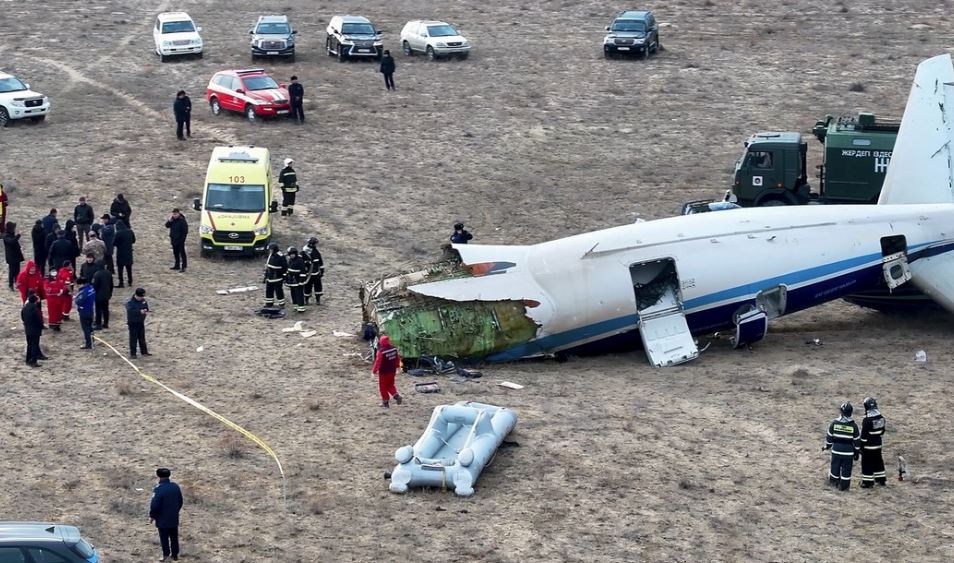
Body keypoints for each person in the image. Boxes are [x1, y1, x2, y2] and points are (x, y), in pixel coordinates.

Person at [824, 401, 861, 491]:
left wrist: (827, 446)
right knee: (846, 470)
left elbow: (829, 437)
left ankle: (834, 483)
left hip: (836, 450)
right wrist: (856, 452)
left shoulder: (834, 423)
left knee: (835, 467)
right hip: (848, 453)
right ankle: (844, 487)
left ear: (841, 412)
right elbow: (857, 441)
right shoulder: (854, 426)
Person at [149, 467, 183, 562]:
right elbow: (180, 501)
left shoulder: (159, 489)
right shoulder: (175, 486)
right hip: (173, 516)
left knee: (164, 538)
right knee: (174, 537)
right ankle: (175, 555)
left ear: (158, 476)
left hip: (162, 518)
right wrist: (175, 511)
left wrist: (152, 516)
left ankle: (166, 555)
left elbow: (155, 505)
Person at [860, 397, 887, 487]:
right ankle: (881, 479)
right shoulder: (882, 418)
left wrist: (861, 447)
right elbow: (882, 431)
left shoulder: (867, 420)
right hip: (878, 445)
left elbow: (864, 436)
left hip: (868, 447)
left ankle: (867, 482)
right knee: (878, 461)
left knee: (867, 463)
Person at [372, 335, 403, 408]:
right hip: (392, 371)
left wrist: (374, 371)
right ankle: (396, 396)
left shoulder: (381, 351)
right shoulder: (394, 349)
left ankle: (385, 402)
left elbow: (378, 362)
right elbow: (397, 359)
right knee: (390, 385)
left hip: (384, 372)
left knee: (383, 387)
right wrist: (398, 367)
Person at [21, 291, 45, 367]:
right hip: (35, 330)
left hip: (27, 329)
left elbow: (22, 316)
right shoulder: (34, 309)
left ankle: (28, 359)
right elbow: (38, 320)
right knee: (35, 345)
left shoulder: (25, 307)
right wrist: (41, 326)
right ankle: (33, 361)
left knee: (29, 345)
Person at [126, 287, 151, 358]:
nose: (142, 298)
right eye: (141, 296)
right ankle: (133, 354)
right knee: (133, 338)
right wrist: (139, 311)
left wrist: (146, 310)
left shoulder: (143, 300)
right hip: (133, 323)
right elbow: (130, 311)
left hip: (140, 322)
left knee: (142, 337)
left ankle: (144, 352)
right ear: (136, 295)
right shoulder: (130, 302)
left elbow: (146, 306)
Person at [263, 243, 287, 307]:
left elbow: (284, 267)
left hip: (277, 277)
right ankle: (269, 303)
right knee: (269, 291)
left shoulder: (280, 256)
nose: (269, 251)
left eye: (270, 249)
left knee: (278, 291)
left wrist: (284, 276)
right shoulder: (271, 255)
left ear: (274, 249)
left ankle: (281, 304)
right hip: (269, 276)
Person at [113, 220, 136, 287]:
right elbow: (134, 240)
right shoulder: (130, 231)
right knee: (129, 268)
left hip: (120, 253)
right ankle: (130, 281)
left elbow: (114, 243)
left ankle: (121, 283)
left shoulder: (118, 233)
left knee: (120, 269)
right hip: (129, 253)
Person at [75, 277, 95, 349]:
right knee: (90, 327)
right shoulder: (91, 288)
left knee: (86, 328)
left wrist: (76, 298)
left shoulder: (84, 292)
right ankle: (92, 341)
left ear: (81, 284)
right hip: (90, 311)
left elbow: (78, 301)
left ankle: (88, 344)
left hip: (84, 312)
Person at [285, 246, 307, 313]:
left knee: (299, 295)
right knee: (293, 294)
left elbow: (303, 272)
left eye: (293, 254)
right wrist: (286, 279)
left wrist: (301, 281)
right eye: (290, 254)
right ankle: (296, 306)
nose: (292, 255)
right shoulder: (290, 260)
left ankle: (301, 308)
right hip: (291, 281)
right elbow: (288, 270)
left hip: (298, 281)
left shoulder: (300, 260)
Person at [92, 264, 113, 330]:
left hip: (98, 295)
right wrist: (110, 293)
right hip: (106, 295)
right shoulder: (109, 273)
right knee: (105, 309)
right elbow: (111, 284)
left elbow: (95, 286)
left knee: (98, 310)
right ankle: (106, 323)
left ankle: (98, 324)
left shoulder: (97, 274)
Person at [302, 236, 324, 305]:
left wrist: (322, 270)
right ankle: (306, 300)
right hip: (308, 274)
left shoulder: (316, 252)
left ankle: (318, 299)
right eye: (315, 244)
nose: (315, 245)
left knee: (318, 287)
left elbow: (320, 262)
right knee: (307, 287)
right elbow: (301, 263)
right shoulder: (304, 252)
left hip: (316, 273)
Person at [4, 221, 24, 291]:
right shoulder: (6, 236)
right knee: (12, 271)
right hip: (11, 257)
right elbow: (11, 242)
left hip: (16, 256)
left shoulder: (11, 234)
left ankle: (17, 282)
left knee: (17, 270)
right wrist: (18, 235)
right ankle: (10, 284)